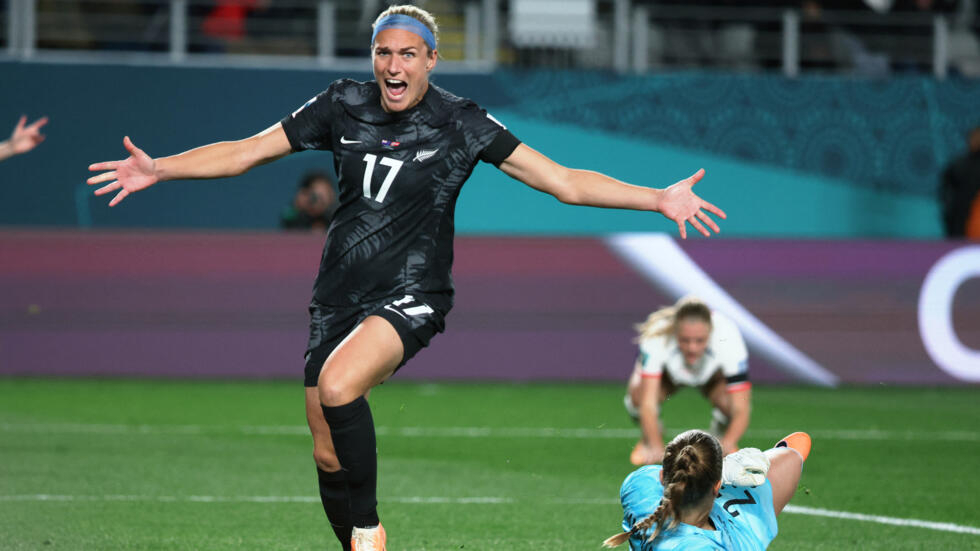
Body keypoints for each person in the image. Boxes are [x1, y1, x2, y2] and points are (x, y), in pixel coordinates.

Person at [86, 5, 726, 550]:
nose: (394, 66)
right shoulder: (341, 104)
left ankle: (368, 532)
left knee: (340, 388)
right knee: (327, 450)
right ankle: (356, 539)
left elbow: (562, 182)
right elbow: (246, 152)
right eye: (384, 52)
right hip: (336, 295)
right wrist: (161, 169)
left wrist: (657, 199)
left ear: (431, 60)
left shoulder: (462, 122)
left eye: (409, 54)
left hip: (413, 293)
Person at [603, 429, 812, 550]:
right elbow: (797, 448)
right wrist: (726, 468)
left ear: (662, 477)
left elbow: (651, 474)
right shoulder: (749, 515)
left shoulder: (639, 490)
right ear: (717, 484)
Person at [624, 297, 749, 466]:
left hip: (712, 377)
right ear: (675, 332)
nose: (692, 348)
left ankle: (720, 436)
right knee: (637, 398)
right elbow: (648, 403)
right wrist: (657, 449)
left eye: (699, 340)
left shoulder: (729, 337)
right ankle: (648, 438)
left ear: (710, 332)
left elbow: (741, 408)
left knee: (729, 404)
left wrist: (727, 443)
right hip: (669, 376)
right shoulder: (657, 335)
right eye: (685, 340)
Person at [940, 125, 980, 239]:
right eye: (974, 137)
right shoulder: (958, 165)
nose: (976, 140)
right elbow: (947, 195)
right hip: (960, 225)